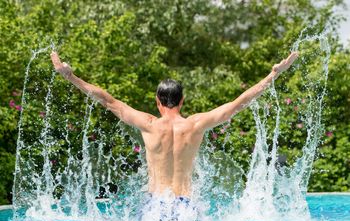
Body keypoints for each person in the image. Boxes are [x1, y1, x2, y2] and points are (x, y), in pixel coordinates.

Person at [51, 51, 298, 202]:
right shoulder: (195, 124)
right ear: (182, 101)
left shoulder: (148, 125)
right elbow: (237, 104)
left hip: (155, 205)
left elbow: (106, 99)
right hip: (184, 206)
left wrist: (70, 76)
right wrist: (272, 75)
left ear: (157, 101)